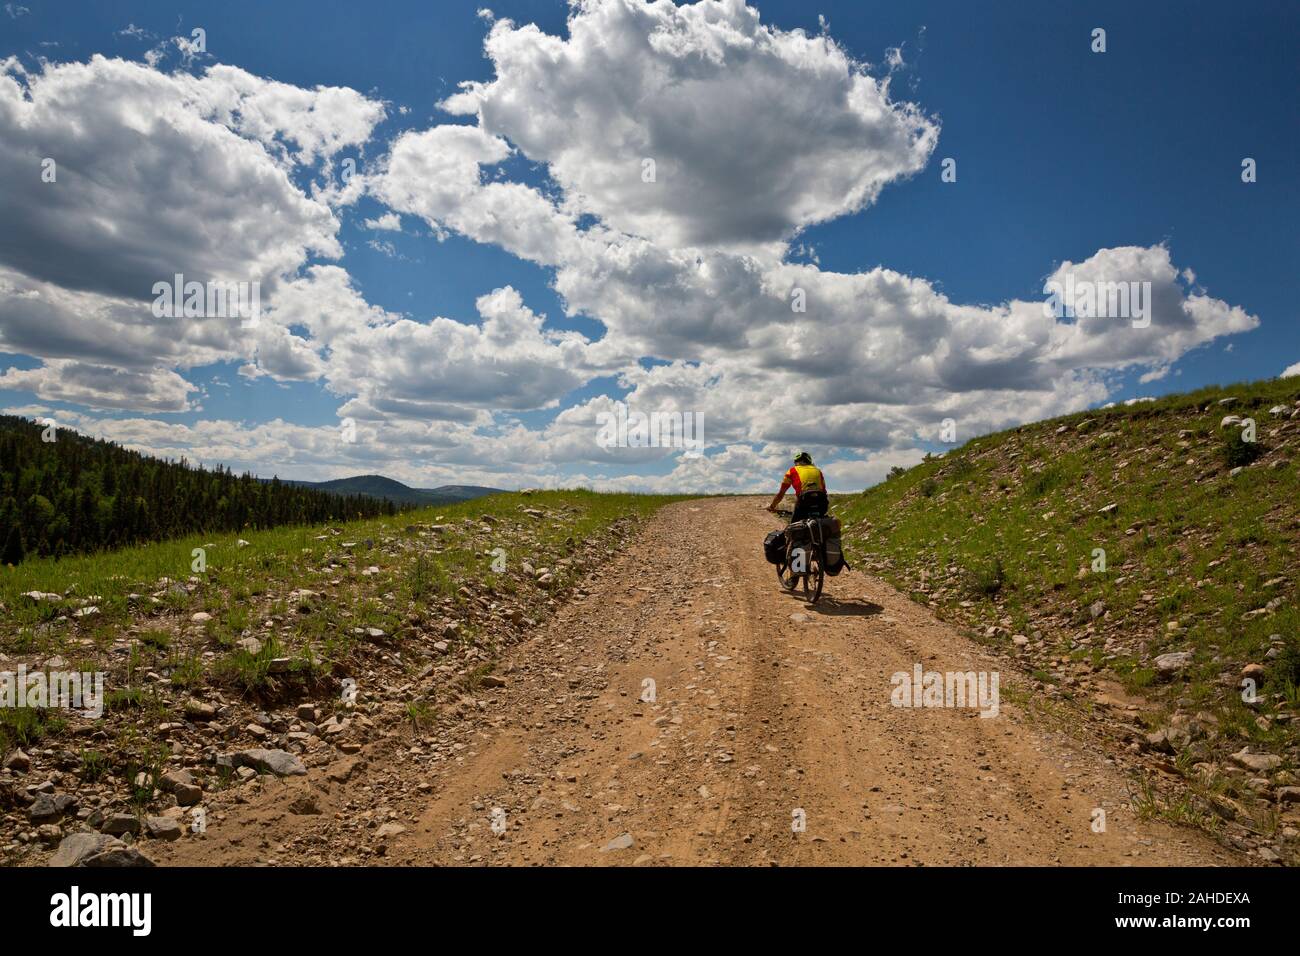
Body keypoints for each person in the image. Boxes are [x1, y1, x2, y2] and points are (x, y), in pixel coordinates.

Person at [767, 452, 828, 522]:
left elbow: (781, 493)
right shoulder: (818, 471)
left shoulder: (792, 471)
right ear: (809, 461)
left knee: (793, 526)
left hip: (804, 502)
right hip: (822, 502)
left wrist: (772, 506)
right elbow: (824, 490)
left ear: (797, 462)